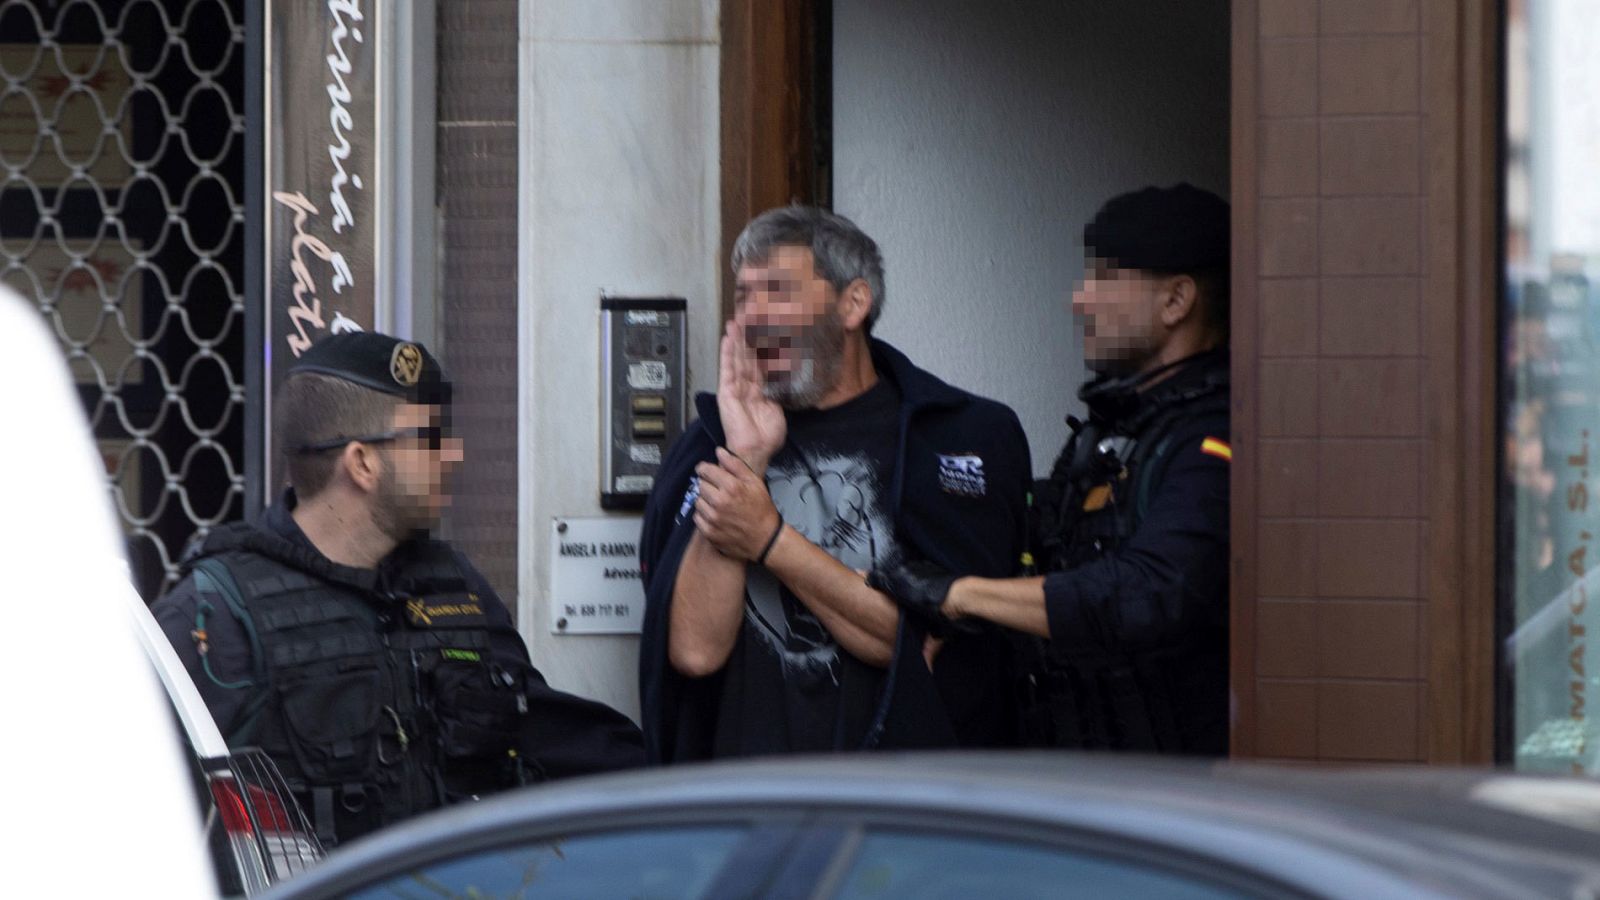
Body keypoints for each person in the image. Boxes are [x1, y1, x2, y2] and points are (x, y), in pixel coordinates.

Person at [153, 332, 642, 846]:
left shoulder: (452, 586)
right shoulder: (217, 614)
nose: (453, 454)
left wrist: (686, 794)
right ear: (361, 462)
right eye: (430, 439)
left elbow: (548, 735)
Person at [637, 205, 1032, 763]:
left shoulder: (958, 437)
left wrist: (770, 539)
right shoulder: (704, 446)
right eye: (744, 295)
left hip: (905, 810)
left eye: (777, 290)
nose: (753, 316)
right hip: (743, 808)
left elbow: (923, 644)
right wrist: (745, 458)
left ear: (854, 302)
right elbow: (696, 653)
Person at [870, 183, 1232, 754]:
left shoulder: (1215, 436)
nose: (1079, 301)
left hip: (1178, 795)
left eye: (1105, 280)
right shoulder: (1111, 430)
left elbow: (1151, 590)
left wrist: (961, 594)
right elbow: (1046, 558)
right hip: (1082, 777)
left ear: (1176, 301)